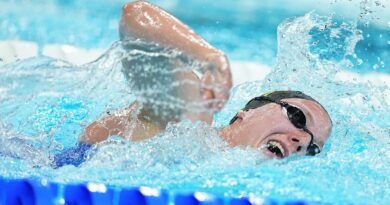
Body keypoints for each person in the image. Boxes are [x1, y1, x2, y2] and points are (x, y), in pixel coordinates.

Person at [52, 1, 332, 168]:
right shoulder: (189, 121)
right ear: (244, 114)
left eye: (312, 149)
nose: (302, 141)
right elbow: (135, 16)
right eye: (297, 116)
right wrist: (208, 58)